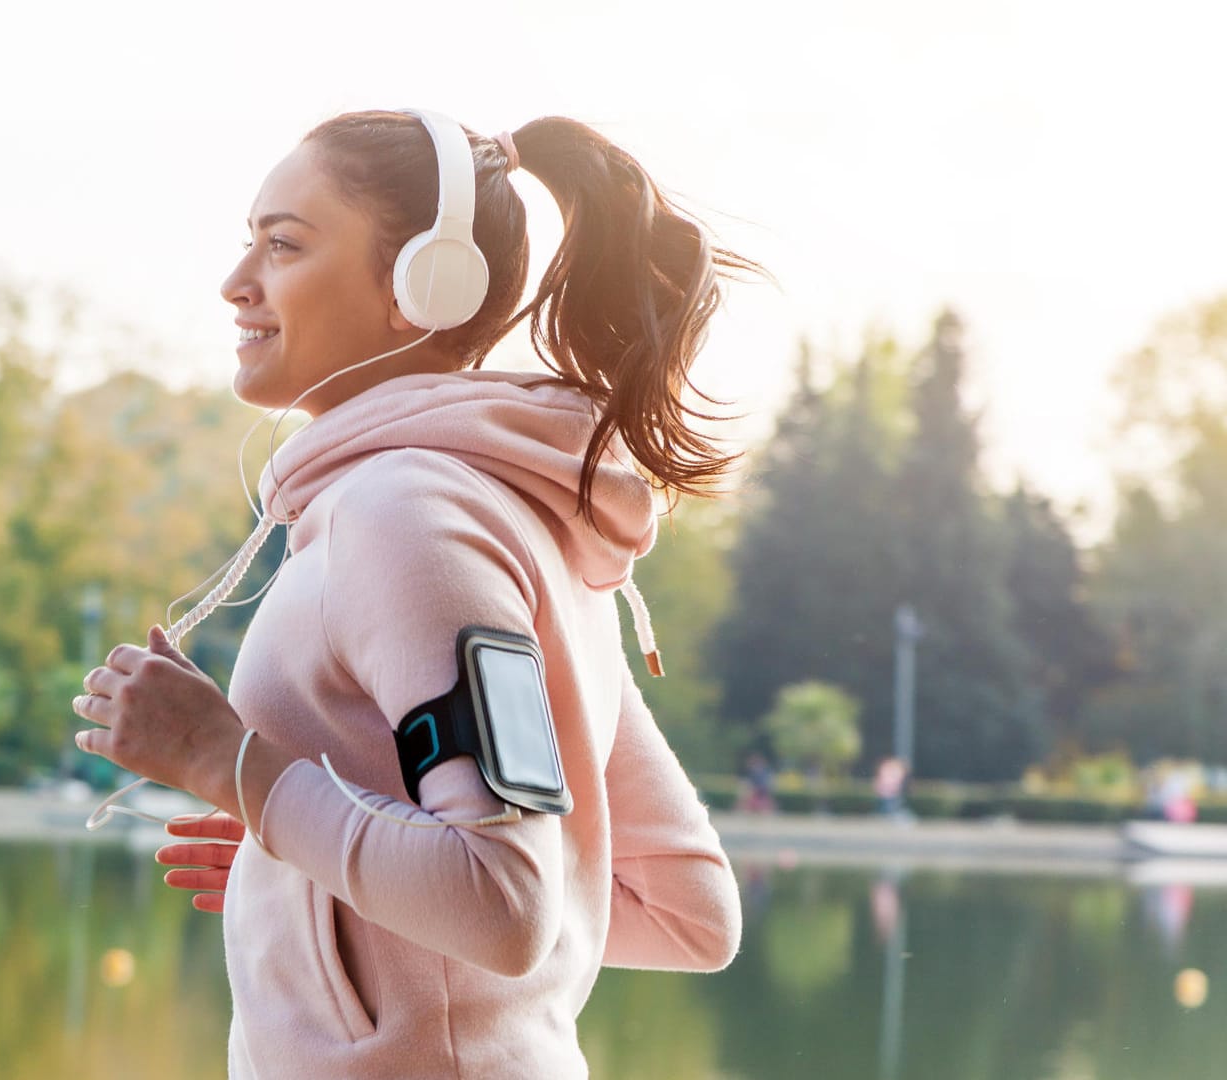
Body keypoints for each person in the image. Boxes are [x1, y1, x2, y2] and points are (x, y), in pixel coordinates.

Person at [72, 108, 764, 1078]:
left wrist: (229, 764)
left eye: (283, 245)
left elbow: (507, 904)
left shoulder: (405, 518)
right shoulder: (513, 522)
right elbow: (684, 911)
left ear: (420, 287)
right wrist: (326, 875)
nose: (236, 284)